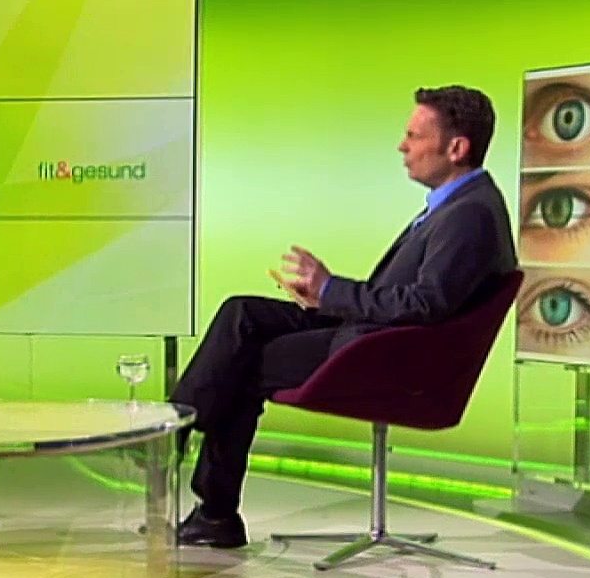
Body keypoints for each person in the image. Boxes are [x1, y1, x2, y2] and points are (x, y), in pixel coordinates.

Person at [170, 85, 519, 549]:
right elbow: (412, 296)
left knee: (243, 363)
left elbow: (426, 304)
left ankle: (204, 494)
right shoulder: (459, 204)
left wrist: (333, 290)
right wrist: (324, 296)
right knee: (243, 315)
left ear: (456, 148)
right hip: (369, 332)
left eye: (414, 136)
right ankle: (179, 425)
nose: (402, 146)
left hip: (387, 354)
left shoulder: (470, 214)